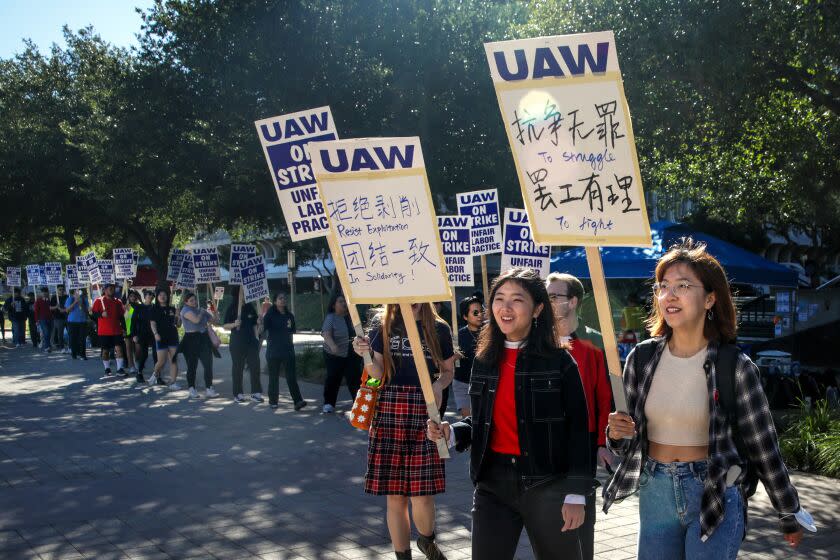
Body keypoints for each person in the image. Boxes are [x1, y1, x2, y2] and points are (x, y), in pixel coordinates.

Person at [604, 239, 808, 559]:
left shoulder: (735, 366)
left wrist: (788, 511)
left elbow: (764, 447)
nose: (669, 294)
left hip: (714, 490)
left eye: (683, 285)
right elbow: (626, 442)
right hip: (654, 491)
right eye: (663, 285)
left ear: (710, 298)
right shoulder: (640, 359)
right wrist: (616, 434)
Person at [427, 268, 592, 560]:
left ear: (538, 308)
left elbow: (579, 430)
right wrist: (452, 432)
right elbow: (481, 422)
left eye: (517, 299)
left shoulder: (559, 361)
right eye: (499, 298)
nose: (505, 307)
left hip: (548, 483)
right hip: (492, 484)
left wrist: (576, 493)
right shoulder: (485, 359)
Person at [352, 302, 454, 560]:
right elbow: (377, 374)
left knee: (423, 493)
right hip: (388, 410)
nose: (412, 299)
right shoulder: (381, 324)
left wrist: (439, 385)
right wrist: (365, 355)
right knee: (395, 496)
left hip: (425, 411)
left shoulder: (438, 328)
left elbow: (448, 371)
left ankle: (427, 541)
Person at [546, 272, 614, 560]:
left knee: (581, 524)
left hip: (582, 443)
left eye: (554, 296)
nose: (547, 302)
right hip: (545, 441)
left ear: (573, 301)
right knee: (547, 521)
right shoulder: (538, 341)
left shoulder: (595, 342)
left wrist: (603, 442)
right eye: (545, 296)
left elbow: (604, 398)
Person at [262, 293, 305, 410]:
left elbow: (292, 332)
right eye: (280, 298)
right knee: (273, 377)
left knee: (291, 377)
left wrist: (290, 347)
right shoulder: (269, 315)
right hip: (273, 351)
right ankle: (273, 401)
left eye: (284, 298)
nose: (283, 300)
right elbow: (262, 331)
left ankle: (298, 401)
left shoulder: (290, 315)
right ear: (275, 301)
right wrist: (260, 321)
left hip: (288, 351)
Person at [320, 293, 361, 414]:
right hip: (333, 354)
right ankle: (328, 403)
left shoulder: (352, 317)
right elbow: (326, 333)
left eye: (344, 301)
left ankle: (358, 404)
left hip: (351, 353)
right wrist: (333, 345)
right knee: (333, 378)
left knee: (354, 378)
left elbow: (360, 333)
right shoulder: (331, 317)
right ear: (334, 305)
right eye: (340, 302)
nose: (343, 304)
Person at [222, 286, 263, 403]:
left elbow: (256, 325)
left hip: (251, 342)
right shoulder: (232, 308)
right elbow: (224, 326)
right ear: (238, 295)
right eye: (243, 293)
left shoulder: (250, 307)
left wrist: (259, 324)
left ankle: (256, 392)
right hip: (237, 342)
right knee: (238, 368)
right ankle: (238, 394)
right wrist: (234, 324)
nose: (245, 295)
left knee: (255, 366)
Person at [179, 291, 219, 399]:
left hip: (203, 339)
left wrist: (214, 310)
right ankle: (191, 388)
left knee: (208, 364)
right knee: (192, 365)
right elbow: (196, 320)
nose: (194, 302)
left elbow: (215, 321)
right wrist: (202, 312)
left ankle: (209, 388)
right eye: (191, 300)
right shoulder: (185, 310)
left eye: (195, 300)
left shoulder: (201, 310)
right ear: (186, 302)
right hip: (191, 340)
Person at [452, 295, 483, 417]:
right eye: (475, 312)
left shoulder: (491, 332)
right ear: (465, 316)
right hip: (462, 382)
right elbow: (445, 360)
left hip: (484, 382)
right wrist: (454, 357)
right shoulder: (457, 336)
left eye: (482, 311)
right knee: (469, 419)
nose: (480, 315)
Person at [91, 284, 126, 376]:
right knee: (105, 351)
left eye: (113, 289)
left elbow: (121, 316)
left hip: (116, 330)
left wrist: (124, 328)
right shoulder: (99, 301)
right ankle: (107, 368)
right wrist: (101, 315)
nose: (111, 290)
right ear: (105, 290)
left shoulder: (118, 302)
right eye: (109, 288)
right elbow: (93, 315)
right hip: (104, 331)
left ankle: (120, 369)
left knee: (119, 349)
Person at [148, 288, 180, 389]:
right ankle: (155, 374)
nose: (163, 296)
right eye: (160, 295)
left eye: (164, 294)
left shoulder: (173, 309)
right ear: (157, 297)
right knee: (161, 361)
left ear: (168, 296)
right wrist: (155, 333)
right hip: (160, 337)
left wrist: (178, 316)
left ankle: (173, 382)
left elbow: (178, 325)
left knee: (173, 360)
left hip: (173, 337)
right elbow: (152, 323)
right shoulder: (154, 309)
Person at [132, 290, 158, 383]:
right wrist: (134, 334)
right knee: (144, 354)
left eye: (152, 295)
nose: (151, 296)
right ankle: (139, 372)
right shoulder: (139, 307)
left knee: (156, 354)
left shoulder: (155, 307)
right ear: (145, 296)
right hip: (142, 334)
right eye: (149, 295)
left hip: (153, 333)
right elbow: (133, 321)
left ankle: (157, 375)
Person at [123, 290, 143, 383]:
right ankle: (131, 366)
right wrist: (124, 329)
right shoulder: (127, 306)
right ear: (128, 297)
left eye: (134, 296)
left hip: (137, 330)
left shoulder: (139, 306)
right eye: (130, 296)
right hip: (128, 329)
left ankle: (137, 362)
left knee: (138, 348)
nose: (132, 298)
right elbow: (124, 319)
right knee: (128, 348)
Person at [65, 288, 89, 360]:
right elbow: (67, 310)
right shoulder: (70, 299)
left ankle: (83, 355)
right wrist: (75, 302)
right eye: (76, 291)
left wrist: (81, 304)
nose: (78, 292)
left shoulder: (84, 299)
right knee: (73, 338)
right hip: (72, 322)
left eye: (79, 291)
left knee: (82, 338)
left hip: (82, 321)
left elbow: (87, 310)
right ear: (74, 292)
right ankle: (74, 354)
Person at [50, 285, 68, 353]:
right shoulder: (54, 297)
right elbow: (50, 307)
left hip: (67, 317)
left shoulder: (66, 297)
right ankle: (62, 347)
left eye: (62, 289)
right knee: (60, 334)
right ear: (57, 290)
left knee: (70, 333)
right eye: (60, 289)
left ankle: (70, 347)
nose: (61, 291)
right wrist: (56, 307)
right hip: (58, 318)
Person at [34, 288, 53, 353]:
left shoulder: (50, 301)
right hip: (42, 319)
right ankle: (47, 347)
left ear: (48, 293)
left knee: (49, 333)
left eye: (45, 292)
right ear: (41, 293)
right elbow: (36, 311)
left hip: (50, 319)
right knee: (46, 332)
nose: (44, 293)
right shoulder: (38, 301)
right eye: (43, 292)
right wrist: (36, 320)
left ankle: (48, 344)